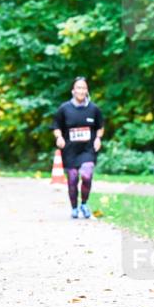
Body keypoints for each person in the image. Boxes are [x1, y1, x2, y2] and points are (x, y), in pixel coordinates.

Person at [52, 77, 104, 219]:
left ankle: (84, 204)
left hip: (88, 149)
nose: (81, 90)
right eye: (78, 88)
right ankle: (74, 207)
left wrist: (98, 138)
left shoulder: (94, 109)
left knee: (87, 175)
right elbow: (56, 126)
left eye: (83, 88)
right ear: (73, 91)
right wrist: (59, 137)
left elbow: (100, 127)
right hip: (70, 150)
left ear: (87, 91)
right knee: (73, 179)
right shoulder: (64, 109)